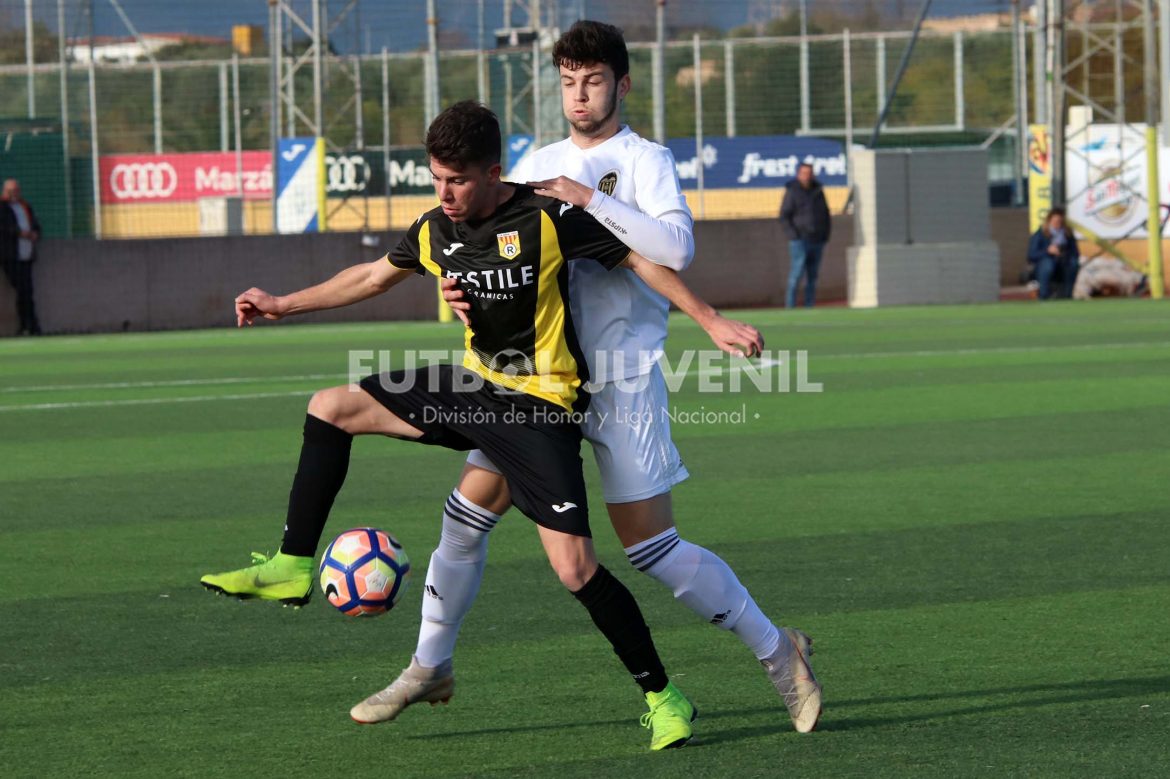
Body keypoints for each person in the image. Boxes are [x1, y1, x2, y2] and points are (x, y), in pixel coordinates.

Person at [200, 100, 764, 750]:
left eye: (458, 180)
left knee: (576, 567)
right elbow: (372, 276)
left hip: (542, 406)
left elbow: (642, 261)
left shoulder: (547, 218)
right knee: (331, 405)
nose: (446, 193)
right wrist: (282, 303)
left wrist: (712, 320)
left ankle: (665, 696)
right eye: (437, 178)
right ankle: (294, 565)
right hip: (475, 389)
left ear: (493, 172)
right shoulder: (436, 227)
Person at [373, 20, 821, 737]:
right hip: (534, 382)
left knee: (651, 548)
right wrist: (458, 291)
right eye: (568, 82)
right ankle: (430, 662)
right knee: (466, 515)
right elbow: (489, 243)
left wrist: (589, 201)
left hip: (621, 375)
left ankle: (779, 650)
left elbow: (674, 244)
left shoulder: (644, 160)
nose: (579, 96)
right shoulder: (535, 160)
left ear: (622, 84)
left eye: (593, 81)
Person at [779, 162, 831, 309]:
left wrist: (825, 235)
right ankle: (790, 307)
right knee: (796, 275)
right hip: (799, 240)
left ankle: (809, 306)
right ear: (798, 174)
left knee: (812, 277)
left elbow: (825, 214)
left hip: (817, 240)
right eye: (804, 173)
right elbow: (784, 216)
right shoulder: (792, 191)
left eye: (809, 173)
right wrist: (794, 235)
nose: (807, 176)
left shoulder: (818, 190)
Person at [0, 179, 42, 335]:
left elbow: (35, 223)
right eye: (11, 190)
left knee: (27, 291)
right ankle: (28, 324)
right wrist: (19, 233)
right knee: (23, 290)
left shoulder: (25, 206)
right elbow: (3, 228)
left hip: (26, 255)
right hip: (11, 256)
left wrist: (35, 233)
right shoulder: (2, 207)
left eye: (16, 190)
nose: (14, 193)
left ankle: (29, 325)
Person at [1027, 207, 1080, 300]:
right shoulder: (1040, 234)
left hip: (1063, 263)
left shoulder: (1067, 235)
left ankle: (1067, 295)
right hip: (1044, 265)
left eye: (1060, 222)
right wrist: (1047, 251)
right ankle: (1044, 296)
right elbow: (1031, 255)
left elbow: (1075, 253)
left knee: (1073, 263)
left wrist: (1064, 253)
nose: (1057, 224)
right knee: (1048, 264)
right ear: (1049, 221)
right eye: (1055, 221)